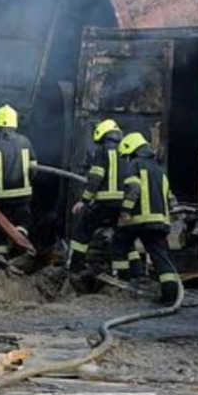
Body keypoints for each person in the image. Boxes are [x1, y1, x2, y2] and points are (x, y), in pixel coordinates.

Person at [68, 119, 143, 277]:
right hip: (124, 205)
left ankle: (74, 268)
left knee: (82, 232)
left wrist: (84, 200)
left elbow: (96, 177)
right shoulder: (128, 152)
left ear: (102, 135)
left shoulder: (102, 151)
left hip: (105, 203)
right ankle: (134, 274)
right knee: (125, 239)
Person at [113, 132, 181, 304]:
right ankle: (170, 295)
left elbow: (134, 190)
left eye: (127, 155)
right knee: (160, 256)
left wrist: (125, 212)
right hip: (160, 222)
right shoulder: (159, 169)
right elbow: (171, 198)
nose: (127, 159)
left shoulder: (134, 165)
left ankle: (122, 282)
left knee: (119, 242)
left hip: (140, 220)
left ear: (132, 150)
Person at [0, 104, 37, 256]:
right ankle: (20, 247)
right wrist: (26, 183)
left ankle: (2, 259)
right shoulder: (26, 142)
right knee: (22, 222)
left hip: (0, 198)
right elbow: (34, 168)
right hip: (23, 196)